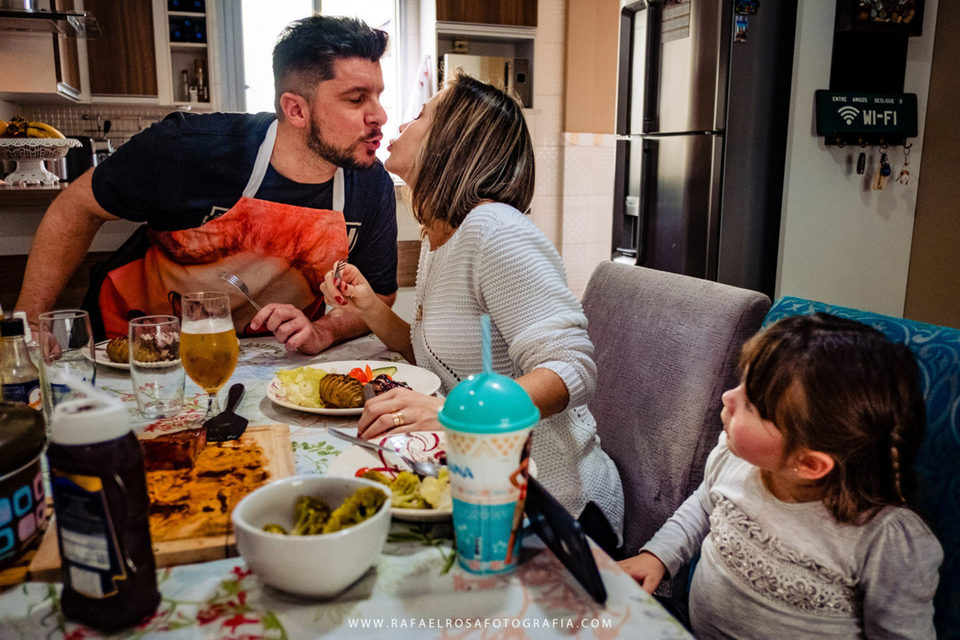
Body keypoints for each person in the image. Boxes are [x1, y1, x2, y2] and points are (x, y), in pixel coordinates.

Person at [317, 73, 625, 547]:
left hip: (557, 506)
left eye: (420, 115)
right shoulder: (441, 236)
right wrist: (369, 307)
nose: (402, 121)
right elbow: (435, 355)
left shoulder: (494, 230)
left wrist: (451, 413)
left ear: (451, 141)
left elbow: (573, 368)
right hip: (481, 484)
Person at [15, 16, 398, 354]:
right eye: (356, 99)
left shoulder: (371, 184)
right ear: (296, 109)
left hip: (267, 359)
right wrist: (29, 321)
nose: (379, 114)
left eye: (378, 95)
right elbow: (76, 208)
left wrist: (322, 331)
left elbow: (379, 296)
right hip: (131, 346)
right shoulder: (188, 148)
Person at [618, 313, 943, 639]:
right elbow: (704, 505)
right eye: (742, 381)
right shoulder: (734, 458)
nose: (728, 397)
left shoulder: (888, 540)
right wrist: (657, 556)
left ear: (809, 464)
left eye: (752, 406)